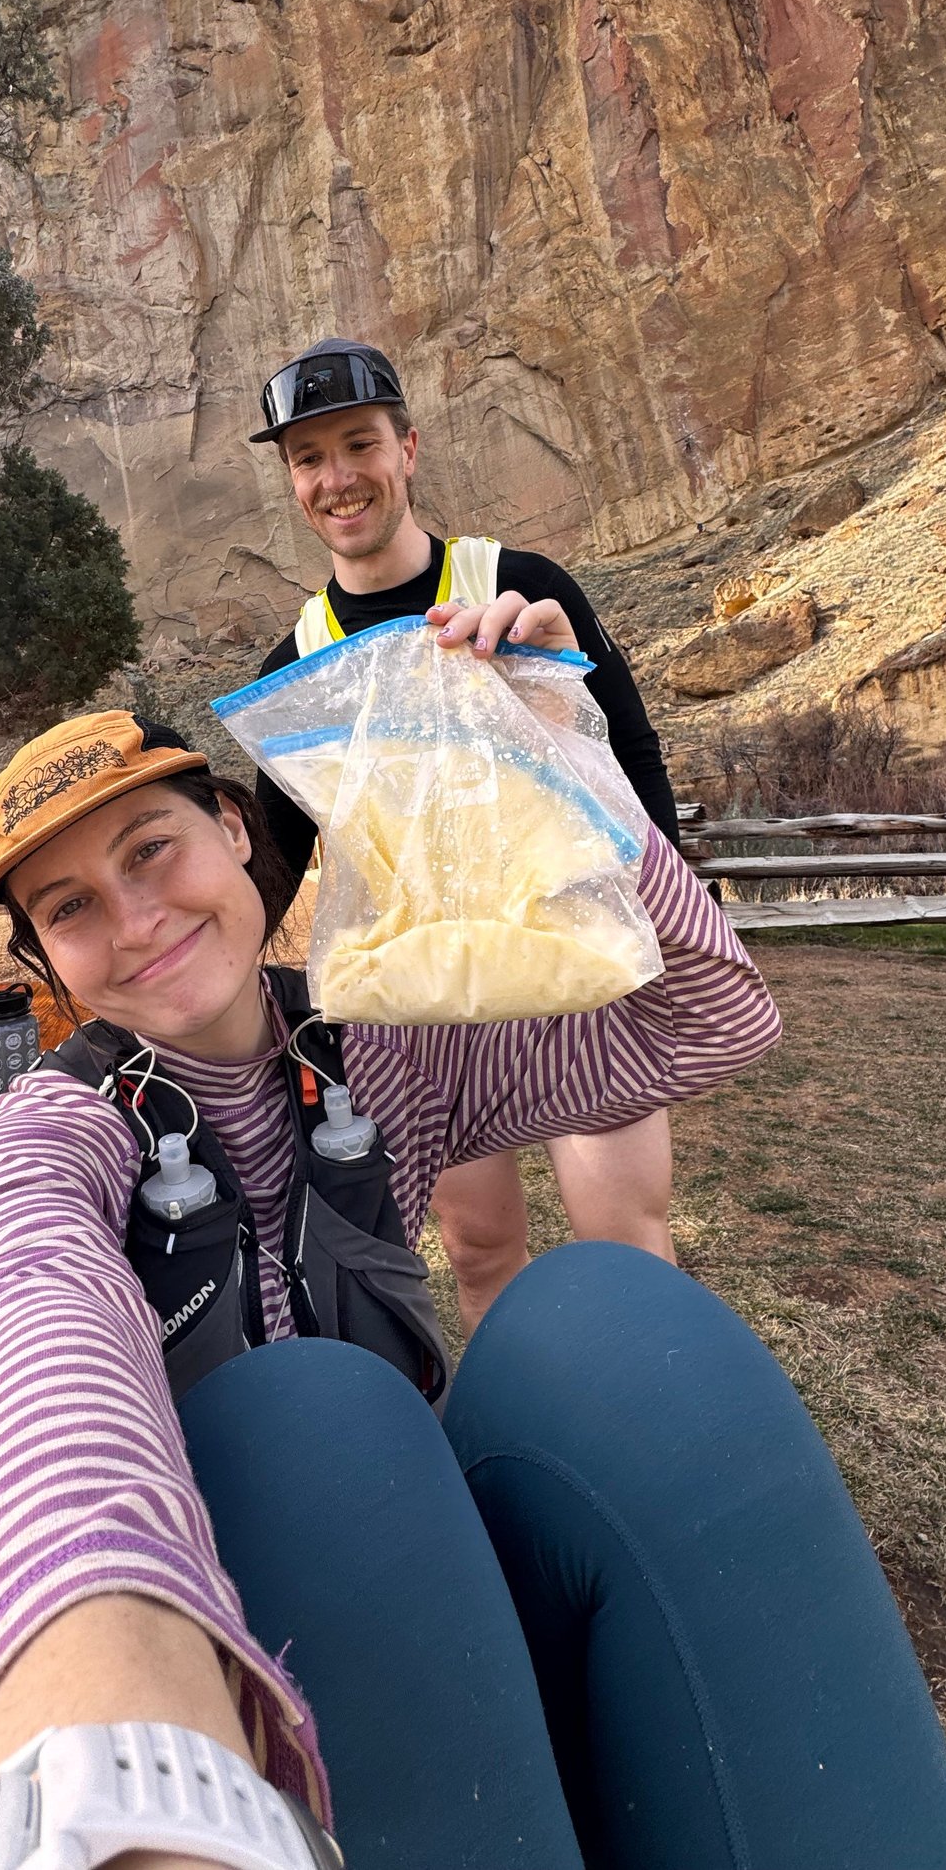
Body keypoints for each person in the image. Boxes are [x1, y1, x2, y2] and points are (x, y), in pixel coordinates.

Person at [0, 604, 946, 1870]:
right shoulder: (60, 1133)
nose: (134, 918)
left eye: (153, 850)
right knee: (306, 1412)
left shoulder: (384, 1032)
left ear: (239, 834)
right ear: (50, 963)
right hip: (234, 1621)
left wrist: (555, 757)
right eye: (73, 905)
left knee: (610, 1317)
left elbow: (702, 1024)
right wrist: (82, 1660)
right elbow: (21, 1311)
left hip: (415, 1545)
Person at [250, 337, 678, 1331]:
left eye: (359, 444)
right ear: (291, 481)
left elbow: (635, 753)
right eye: (309, 459)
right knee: (480, 1252)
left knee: (626, 1240)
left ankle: (654, 1442)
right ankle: (519, 1435)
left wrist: (663, 906)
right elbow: (270, 865)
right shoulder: (300, 659)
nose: (337, 478)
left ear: (408, 448)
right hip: (420, 996)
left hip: (574, 959)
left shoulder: (518, 587)